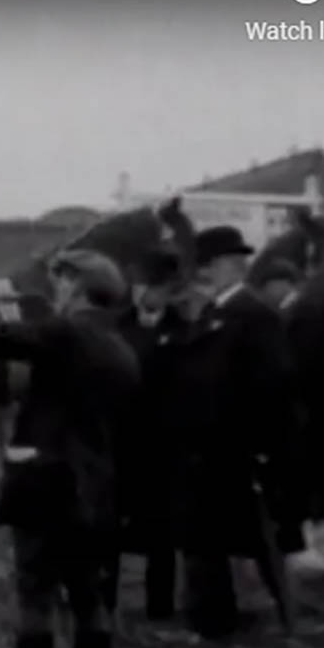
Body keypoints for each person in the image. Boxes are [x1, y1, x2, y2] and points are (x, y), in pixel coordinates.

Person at [0, 247, 140, 648]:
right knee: (89, 598)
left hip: (44, 485)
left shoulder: (65, 332)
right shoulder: (123, 350)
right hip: (97, 493)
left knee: (35, 595)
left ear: (77, 287)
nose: (57, 291)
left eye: (62, 282)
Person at [153, 226, 299, 641]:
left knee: (224, 539)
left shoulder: (250, 315)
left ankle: (222, 623)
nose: (204, 276)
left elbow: (272, 386)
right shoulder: (217, 313)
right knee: (207, 540)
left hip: (232, 450)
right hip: (209, 448)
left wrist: (262, 449)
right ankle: (216, 619)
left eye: (210, 267)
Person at [116, 247, 186, 622]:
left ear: (169, 290)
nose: (144, 293)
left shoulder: (185, 331)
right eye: (139, 285)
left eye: (153, 287)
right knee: (109, 524)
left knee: (162, 532)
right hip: (119, 442)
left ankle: (160, 608)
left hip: (164, 447)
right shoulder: (115, 326)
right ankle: (104, 602)